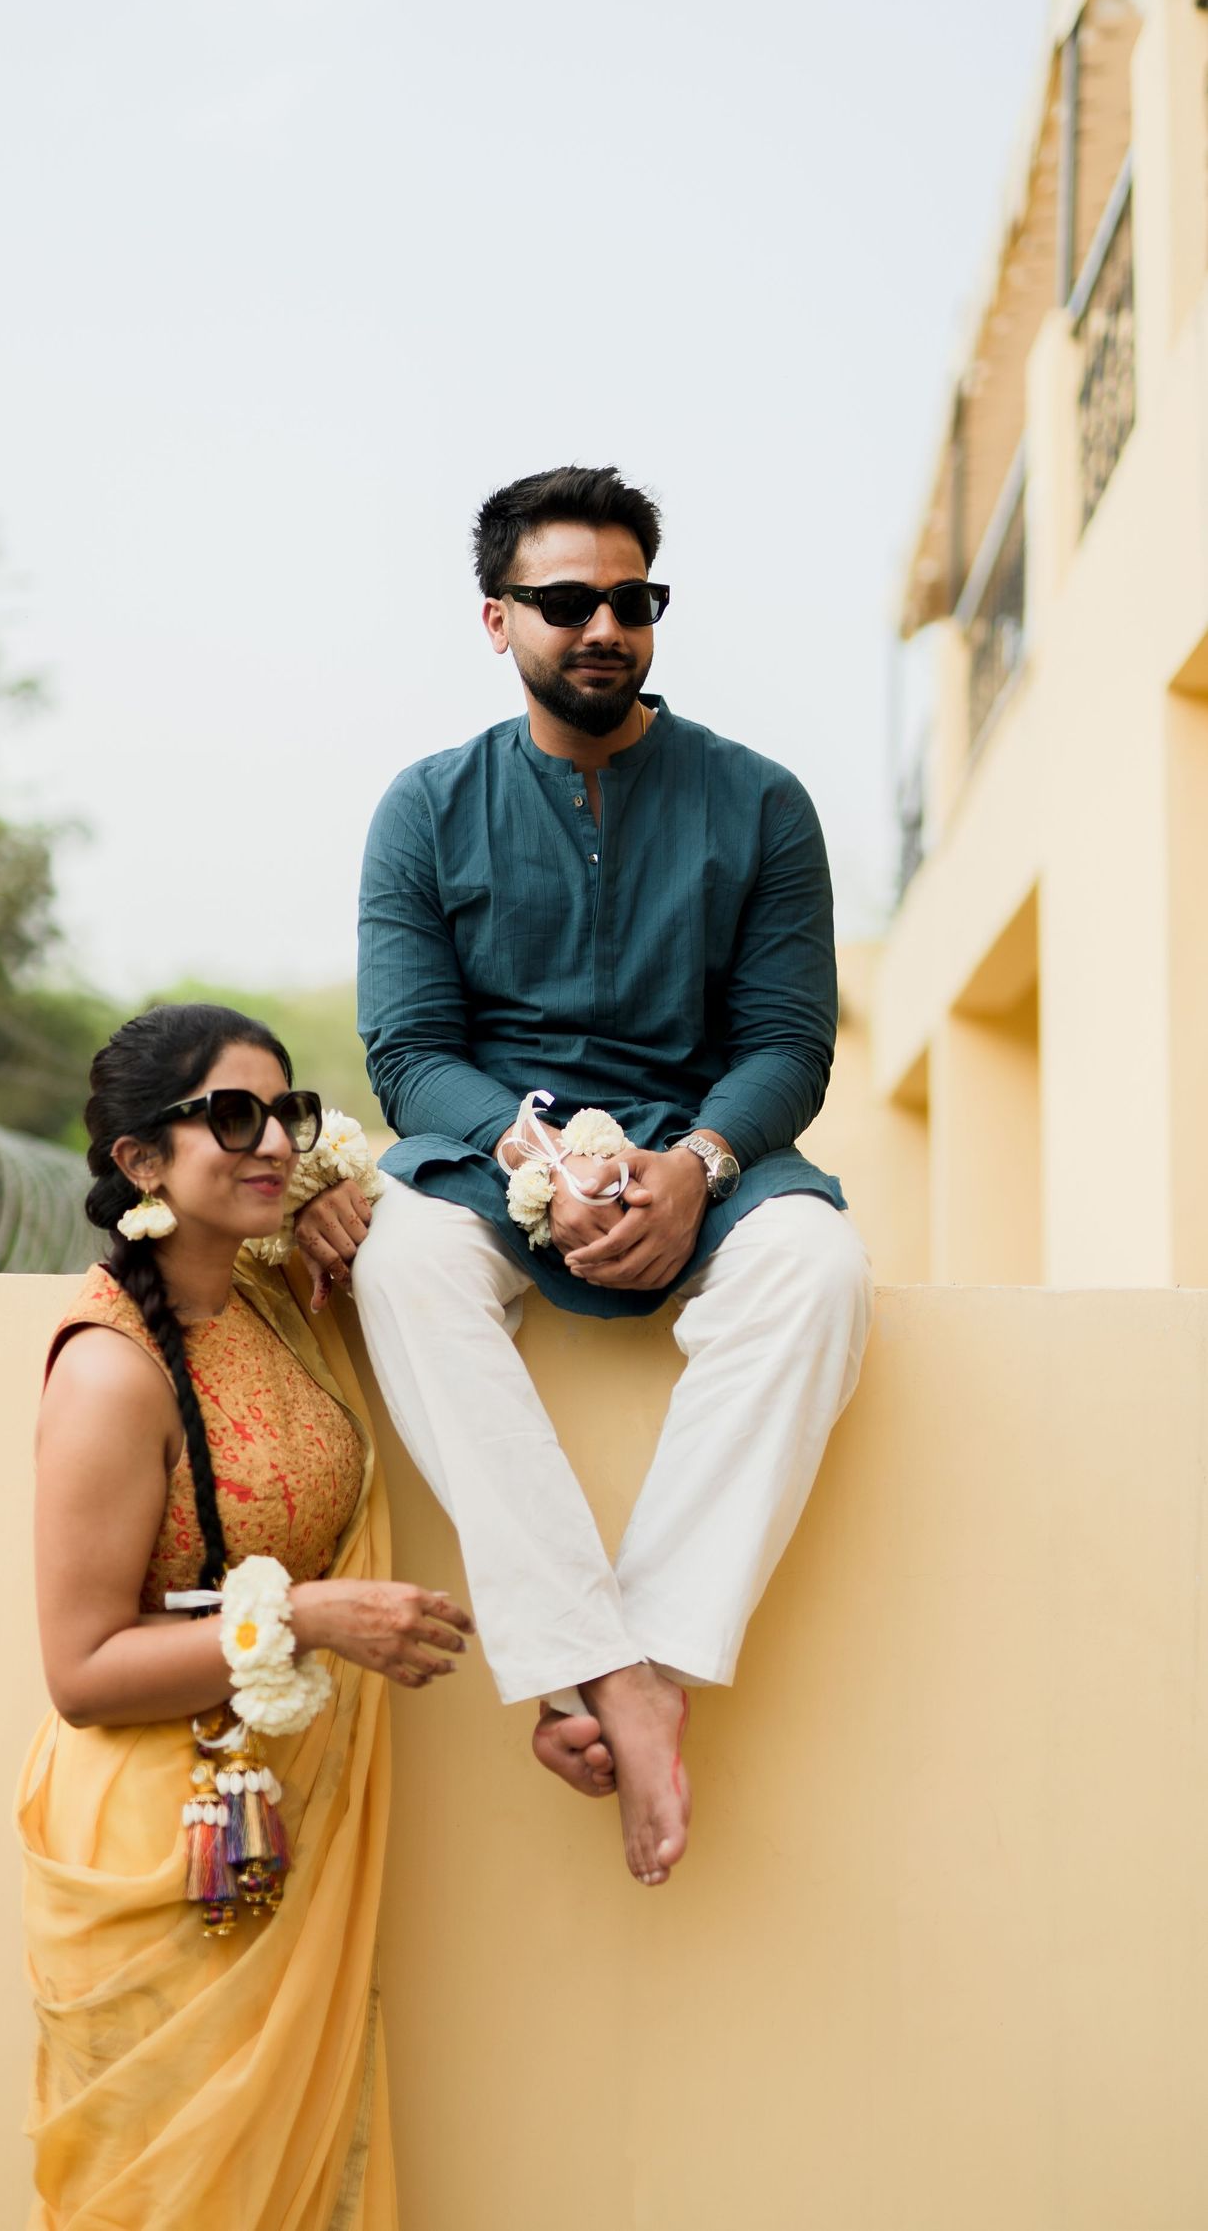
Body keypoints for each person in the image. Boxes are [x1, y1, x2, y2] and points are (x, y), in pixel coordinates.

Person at [352, 465, 872, 1891]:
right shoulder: (429, 806)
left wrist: (698, 1163)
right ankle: (601, 1664)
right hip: (499, 1156)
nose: (604, 626)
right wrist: (540, 1159)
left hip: (702, 1146)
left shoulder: (759, 802)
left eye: (632, 599)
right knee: (401, 1263)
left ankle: (650, 1658)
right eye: (567, 599)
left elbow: (788, 1042)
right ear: (497, 616)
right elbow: (410, 1051)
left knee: (817, 1267)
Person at [17, 1003, 469, 2231]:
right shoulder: (112, 1370)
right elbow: (80, 1668)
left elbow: (364, 1187)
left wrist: (332, 1194)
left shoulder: (271, 1292)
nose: (270, 1139)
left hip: (280, 1814)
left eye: (286, 1111)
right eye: (230, 1114)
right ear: (140, 1160)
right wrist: (305, 1615)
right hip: (159, 1845)